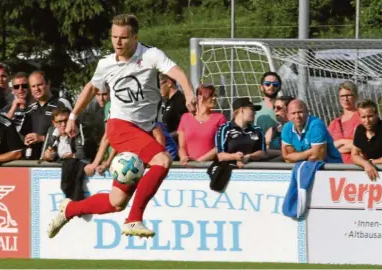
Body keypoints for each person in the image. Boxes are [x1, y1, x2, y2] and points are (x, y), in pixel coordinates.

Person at [47, 14, 196, 238]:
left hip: (142, 130)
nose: (117, 42)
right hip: (119, 127)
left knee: (116, 202)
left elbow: (177, 72)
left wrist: (189, 92)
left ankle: (69, 209)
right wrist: (72, 116)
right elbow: (90, 89)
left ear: (135, 37)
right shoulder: (106, 63)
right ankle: (134, 219)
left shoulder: (150, 55)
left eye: (123, 38)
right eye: (114, 37)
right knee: (163, 160)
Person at [177, 84, 226, 165]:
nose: (214, 98)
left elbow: (219, 146)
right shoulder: (185, 118)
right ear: (199, 97)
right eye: (210, 95)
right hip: (188, 165)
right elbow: (181, 146)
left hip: (209, 165)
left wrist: (199, 162)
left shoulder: (220, 118)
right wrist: (184, 158)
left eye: (215, 95)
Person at [215, 98, 266, 168]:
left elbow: (263, 152)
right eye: (252, 109)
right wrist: (234, 157)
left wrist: (249, 156)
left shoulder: (257, 130)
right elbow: (220, 155)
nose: (255, 113)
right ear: (242, 110)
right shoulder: (225, 128)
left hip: (253, 172)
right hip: (228, 171)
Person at [328, 81, 361, 164]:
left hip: (356, 168)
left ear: (356, 97)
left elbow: (363, 145)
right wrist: (343, 142)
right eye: (342, 96)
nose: (345, 99)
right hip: (335, 169)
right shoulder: (334, 123)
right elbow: (327, 147)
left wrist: (339, 143)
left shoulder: (362, 118)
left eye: (349, 95)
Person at [351, 99, 382, 181]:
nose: (367, 121)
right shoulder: (359, 130)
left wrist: (372, 162)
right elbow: (354, 155)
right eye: (363, 117)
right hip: (373, 177)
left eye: (370, 116)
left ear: (377, 114)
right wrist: (365, 164)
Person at [265, 96, 294, 160]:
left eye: (278, 108)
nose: (275, 110)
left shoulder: (298, 129)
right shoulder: (272, 130)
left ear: (289, 109)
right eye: (274, 107)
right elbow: (265, 151)